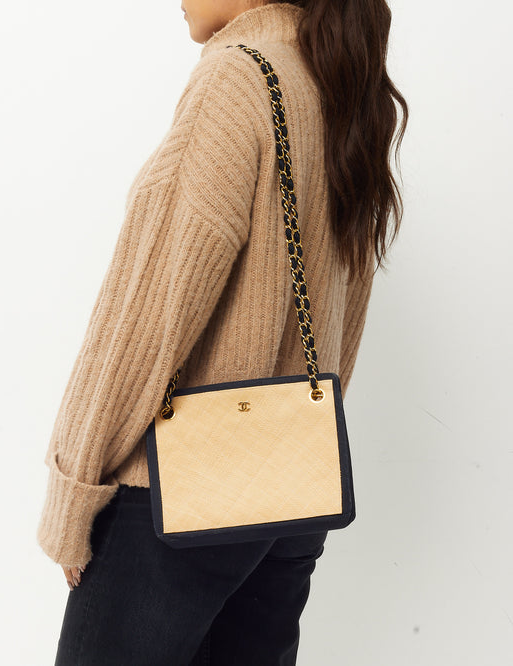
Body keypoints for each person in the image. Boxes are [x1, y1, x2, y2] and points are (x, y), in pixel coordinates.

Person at [37, 1, 408, 664]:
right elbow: (343, 308)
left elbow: (147, 314)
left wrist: (75, 486)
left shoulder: (239, 78)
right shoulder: (336, 81)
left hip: (176, 500)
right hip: (292, 485)